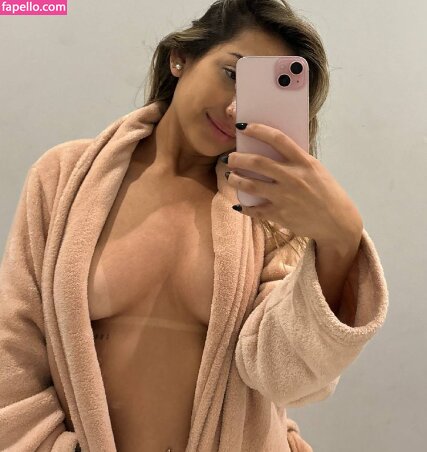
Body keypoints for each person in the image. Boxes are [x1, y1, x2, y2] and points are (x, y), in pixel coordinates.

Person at [0, 1, 389, 451]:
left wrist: (339, 242)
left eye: (259, 96)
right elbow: (14, 353)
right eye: (232, 73)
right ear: (180, 58)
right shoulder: (64, 178)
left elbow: (286, 378)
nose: (236, 107)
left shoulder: (270, 213)